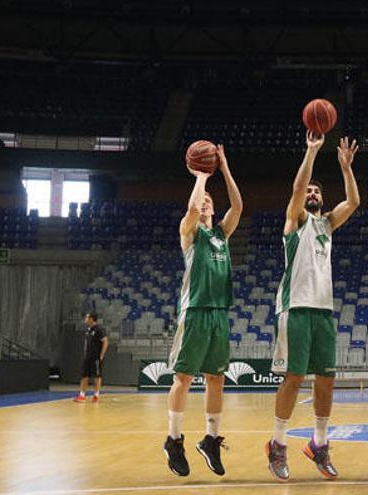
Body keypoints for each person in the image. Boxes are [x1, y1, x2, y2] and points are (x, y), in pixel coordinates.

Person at [266, 133, 359, 482]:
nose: (312, 193)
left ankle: (319, 444)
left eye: (317, 191)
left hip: (322, 309)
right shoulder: (295, 221)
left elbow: (352, 201)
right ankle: (277, 444)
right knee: (294, 378)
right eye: (309, 192)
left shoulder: (327, 225)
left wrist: (346, 167)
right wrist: (312, 150)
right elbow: (296, 190)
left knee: (327, 379)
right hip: (296, 307)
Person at [163, 144, 242, 477]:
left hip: (218, 313)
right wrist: (201, 177)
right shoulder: (190, 233)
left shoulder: (221, 234)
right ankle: (174, 439)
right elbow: (193, 208)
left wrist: (223, 169)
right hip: (194, 310)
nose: (206, 201)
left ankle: (210, 439)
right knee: (183, 377)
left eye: (211, 199)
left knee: (216, 379)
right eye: (203, 200)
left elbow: (238, 205)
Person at [73, 312, 107, 403]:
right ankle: (82, 396)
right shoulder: (88, 330)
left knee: (97, 376)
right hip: (87, 356)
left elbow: (105, 342)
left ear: (92, 319)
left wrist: (101, 355)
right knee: (84, 375)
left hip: (95, 357)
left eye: (87, 317)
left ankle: (96, 395)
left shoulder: (99, 329)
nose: (85, 319)